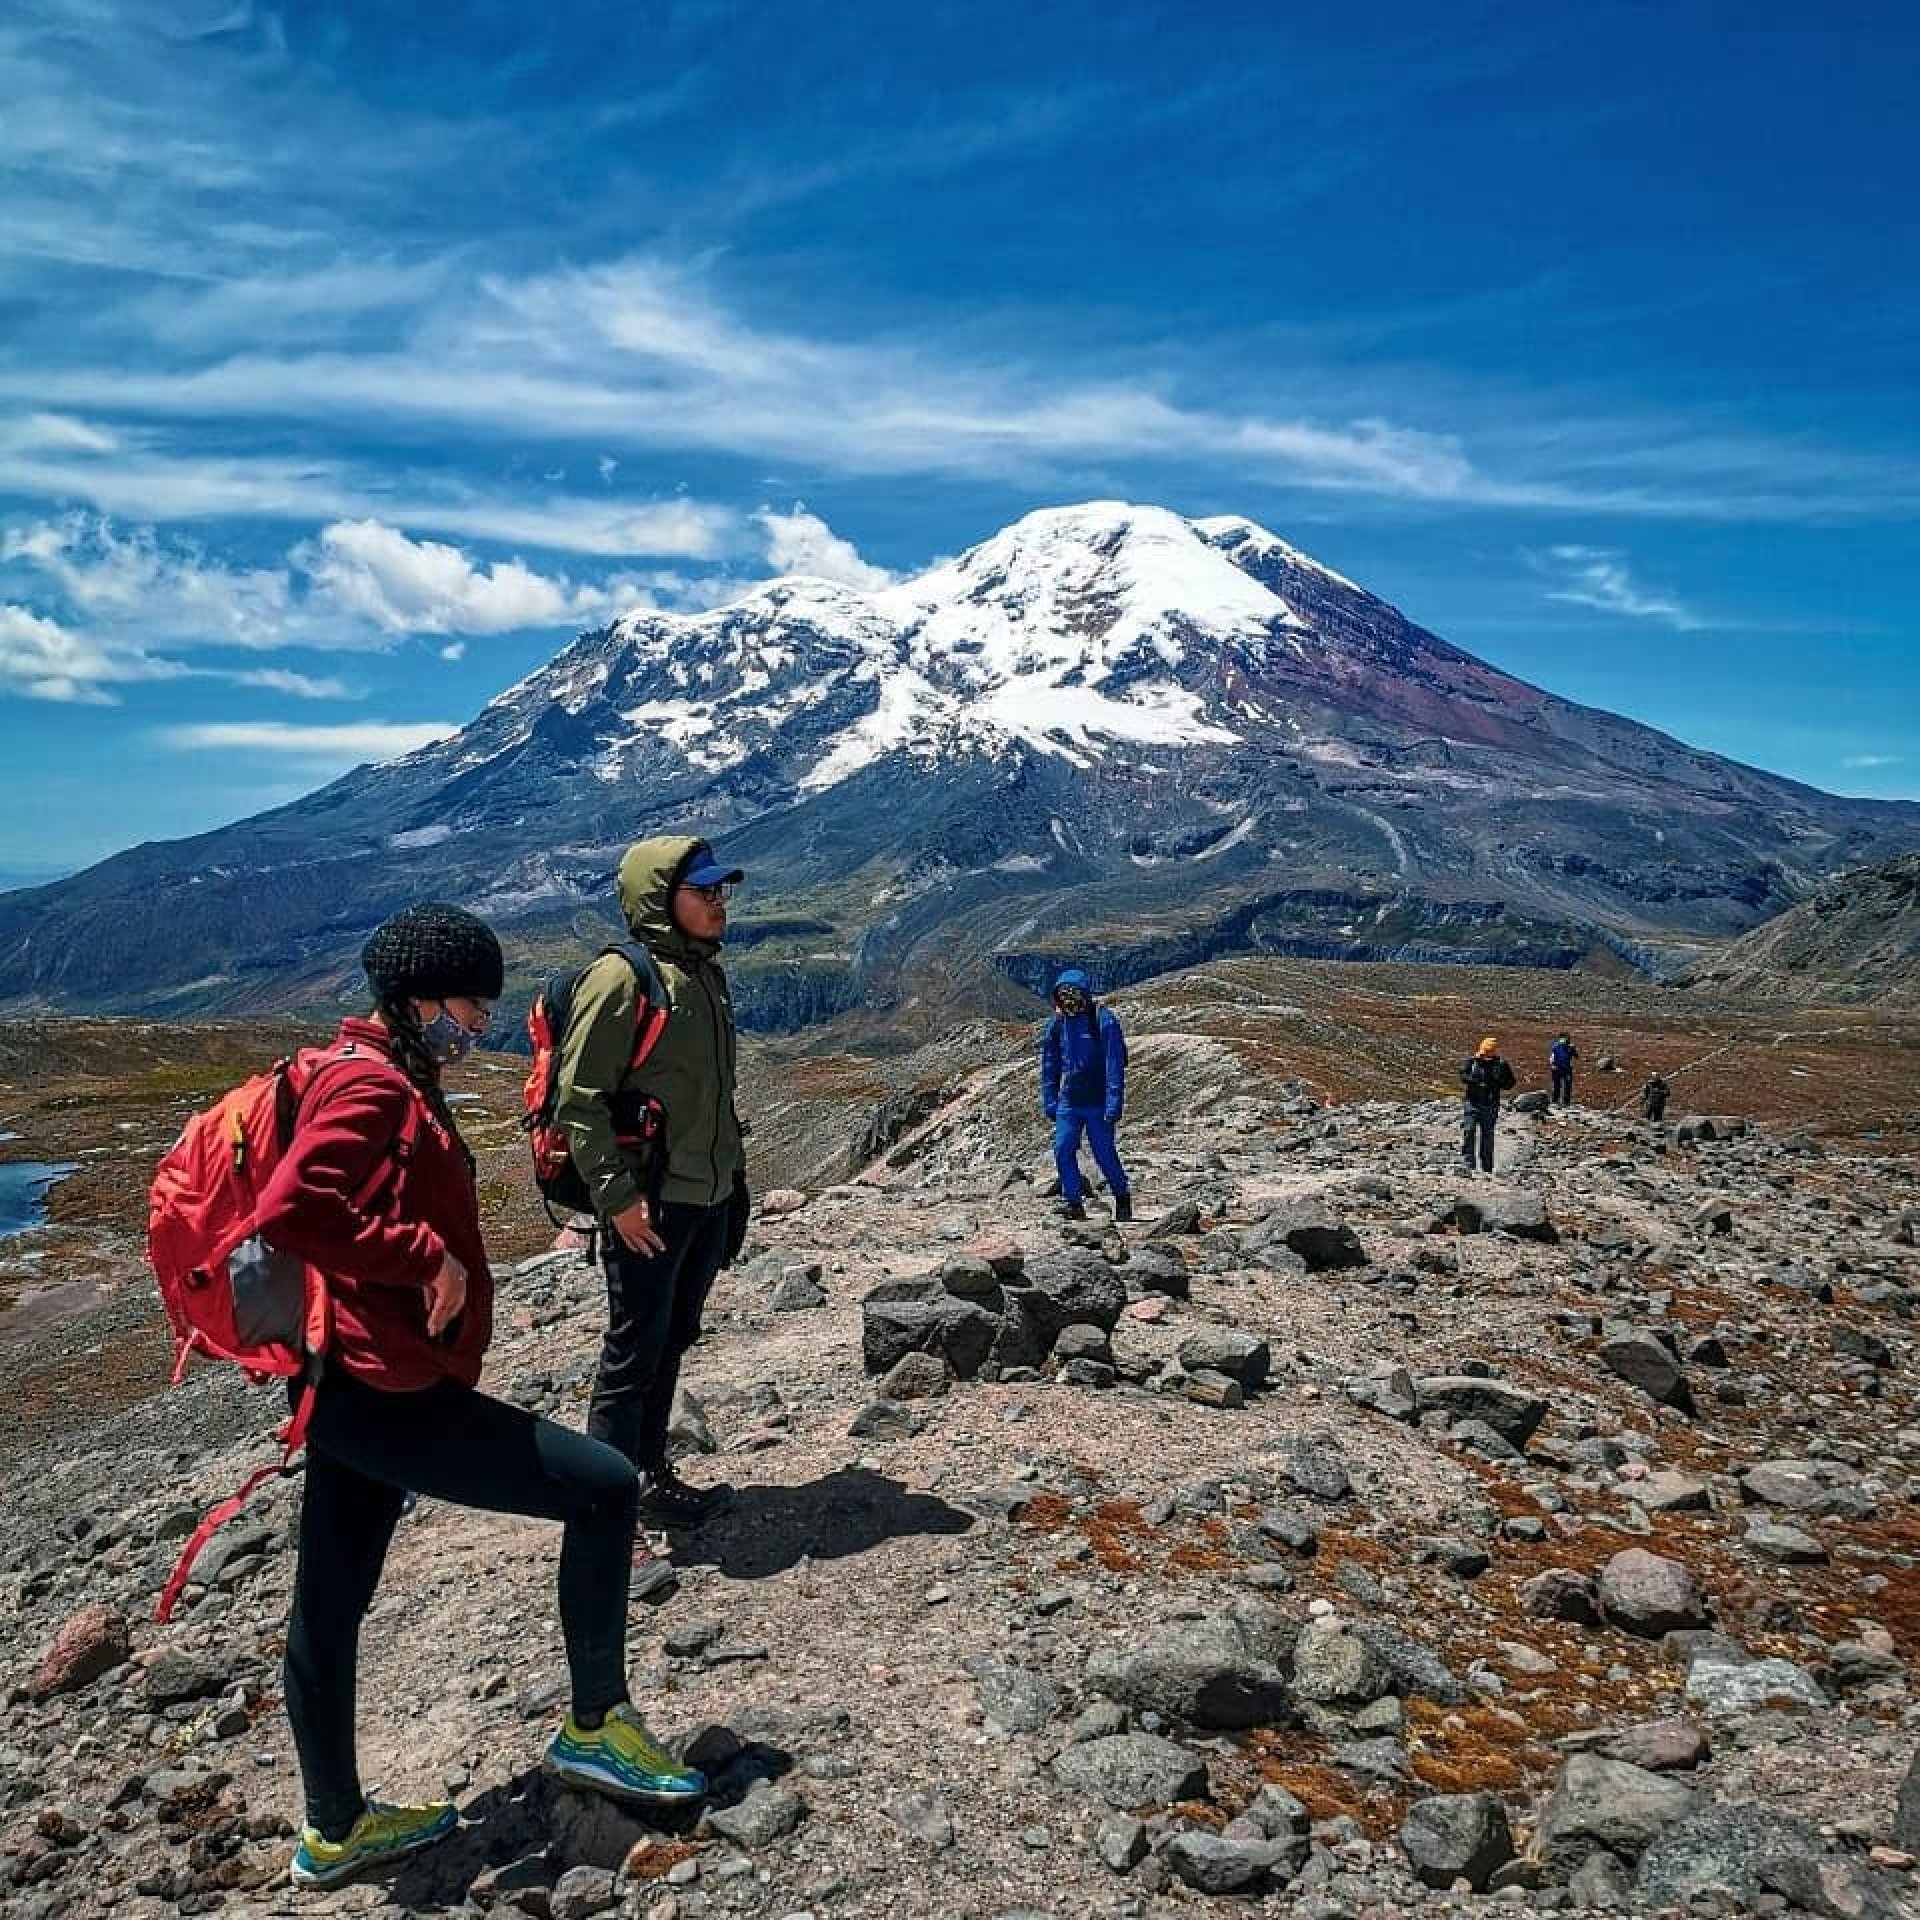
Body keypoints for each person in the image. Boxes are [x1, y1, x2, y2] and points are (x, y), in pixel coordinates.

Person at [253, 903, 704, 1891]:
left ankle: (334, 1830)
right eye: (469, 1005)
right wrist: (426, 1258)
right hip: (386, 1388)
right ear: (419, 1001)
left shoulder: (369, 1066)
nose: (483, 1025)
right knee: (601, 1487)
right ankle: (595, 1725)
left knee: (328, 1605)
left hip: (347, 1382)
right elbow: (290, 1208)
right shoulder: (373, 1087)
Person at [557, 837, 746, 1542]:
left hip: (706, 1195)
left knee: (670, 1339)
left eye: (722, 891)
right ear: (661, 899)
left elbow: (713, 1099)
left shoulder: (704, 975)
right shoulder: (623, 980)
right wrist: (618, 1200)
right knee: (634, 1350)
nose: (718, 903)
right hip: (652, 1206)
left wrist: (735, 1187)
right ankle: (606, 1508)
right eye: (704, 892)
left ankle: (649, 1476)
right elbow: (579, 1101)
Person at [1040, 967, 1132, 1222]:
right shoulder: (1056, 1026)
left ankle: (1121, 1194)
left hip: (1098, 1103)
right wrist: (1049, 1100)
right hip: (1069, 1102)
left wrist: (1114, 1102)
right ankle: (1073, 1203)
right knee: (1062, 1150)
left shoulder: (1104, 1021)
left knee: (1104, 1154)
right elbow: (1050, 1065)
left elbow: (1114, 1064)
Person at [1459, 1035, 1517, 1174]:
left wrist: (1498, 1083)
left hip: (1490, 1104)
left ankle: (1487, 1167)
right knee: (1469, 1130)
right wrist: (1475, 1082)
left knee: (1487, 1135)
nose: (1483, 1055)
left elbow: (1510, 1083)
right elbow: (1462, 1075)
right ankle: (1469, 1163)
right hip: (1472, 1102)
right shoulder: (1472, 1061)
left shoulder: (1501, 1065)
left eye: (1487, 1052)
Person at [1548, 1032, 1579, 1106]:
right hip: (1559, 1068)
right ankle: (1557, 1101)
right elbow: (1552, 1057)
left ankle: (1564, 1101)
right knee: (1558, 1086)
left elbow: (1576, 1056)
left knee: (1565, 1086)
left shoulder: (1568, 1047)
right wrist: (1553, 1065)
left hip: (1565, 1068)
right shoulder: (1556, 1046)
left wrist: (1573, 1050)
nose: (1566, 1040)